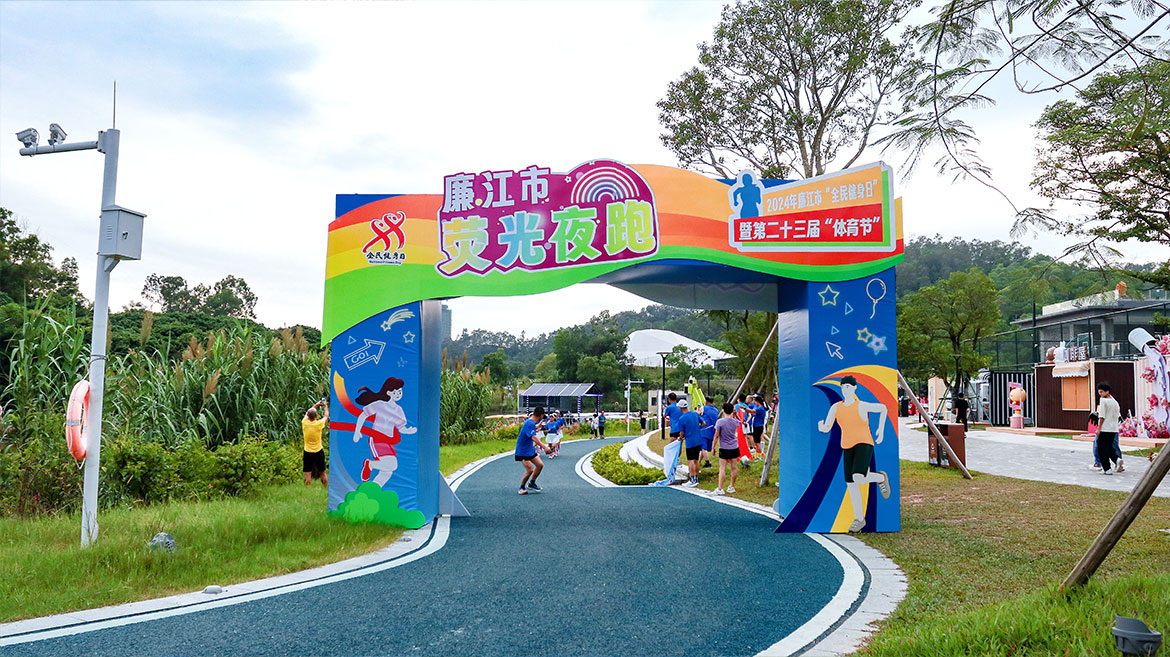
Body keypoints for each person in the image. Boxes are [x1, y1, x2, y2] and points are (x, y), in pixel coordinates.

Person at [817, 375, 891, 532]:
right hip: (847, 445)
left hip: (864, 442)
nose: (845, 390)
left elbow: (883, 408)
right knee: (851, 483)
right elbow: (828, 427)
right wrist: (822, 427)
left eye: (848, 387)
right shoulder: (836, 407)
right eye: (843, 387)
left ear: (854, 388)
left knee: (858, 477)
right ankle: (859, 519)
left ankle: (880, 478)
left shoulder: (861, 405)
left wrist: (881, 429)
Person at [352, 377, 417, 486]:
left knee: (387, 472)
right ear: (388, 393)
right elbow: (363, 415)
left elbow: (401, 428)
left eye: (400, 391)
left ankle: (373, 491)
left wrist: (408, 431)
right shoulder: (380, 404)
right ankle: (370, 464)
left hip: (389, 441)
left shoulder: (399, 410)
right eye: (395, 392)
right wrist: (357, 431)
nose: (398, 394)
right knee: (393, 465)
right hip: (377, 439)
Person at [516, 407, 551, 494]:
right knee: (530, 469)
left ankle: (532, 483)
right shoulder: (530, 423)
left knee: (540, 465)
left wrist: (537, 426)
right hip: (522, 451)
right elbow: (534, 437)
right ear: (541, 415)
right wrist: (545, 447)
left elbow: (530, 429)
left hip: (529, 449)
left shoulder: (530, 422)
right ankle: (521, 487)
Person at [674, 399, 705, 487]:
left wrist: (680, 438)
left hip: (690, 442)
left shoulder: (682, 419)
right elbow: (703, 423)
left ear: (680, 408)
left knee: (690, 461)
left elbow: (682, 432)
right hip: (698, 440)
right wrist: (698, 428)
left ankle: (692, 479)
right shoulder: (695, 414)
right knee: (696, 460)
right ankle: (696, 478)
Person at [712, 402, 741, 495]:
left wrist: (713, 447)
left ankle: (720, 488)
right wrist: (736, 415)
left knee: (722, 468)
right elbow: (740, 421)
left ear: (723, 410)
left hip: (724, 447)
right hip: (734, 446)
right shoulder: (735, 421)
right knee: (734, 468)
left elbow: (716, 436)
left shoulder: (720, 422)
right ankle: (731, 486)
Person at [1095, 382, 1122, 475]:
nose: (1100, 394)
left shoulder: (1103, 401)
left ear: (1107, 391)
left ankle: (1107, 468)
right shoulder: (1115, 402)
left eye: (1102, 392)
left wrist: (1099, 428)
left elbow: (1102, 416)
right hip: (1114, 428)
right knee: (1109, 447)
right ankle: (1116, 459)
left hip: (1105, 428)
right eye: (1099, 392)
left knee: (1102, 448)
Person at [302, 400, 329, 487]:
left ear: (308, 416)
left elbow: (307, 413)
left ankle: (307, 489)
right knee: (322, 472)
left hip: (307, 452)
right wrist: (325, 406)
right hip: (318, 451)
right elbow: (326, 416)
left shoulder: (304, 423)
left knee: (307, 473)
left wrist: (315, 405)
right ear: (316, 416)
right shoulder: (319, 424)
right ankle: (325, 486)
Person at [700, 398, 719, 468]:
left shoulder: (703, 408)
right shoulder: (716, 410)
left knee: (703, 448)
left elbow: (698, 415)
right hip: (712, 431)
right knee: (704, 448)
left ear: (706, 402)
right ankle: (698, 462)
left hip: (704, 430)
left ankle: (707, 463)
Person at [751, 393, 768, 457]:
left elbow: (753, 411)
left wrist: (744, 408)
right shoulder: (758, 406)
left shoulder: (761, 407)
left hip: (759, 425)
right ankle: (758, 454)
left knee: (759, 440)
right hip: (758, 424)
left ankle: (760, 454)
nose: (754, 401)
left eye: (755, 399)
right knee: (758, 440)